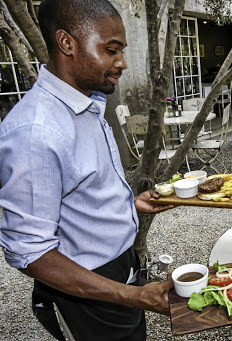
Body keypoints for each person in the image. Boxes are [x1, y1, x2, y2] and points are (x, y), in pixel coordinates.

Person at [0, 1, 175, 340]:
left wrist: (128, 205)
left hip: (122, 273)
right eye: (112, 50)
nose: (122, 62)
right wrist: (132, 295)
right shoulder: (36, 131)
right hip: (85, 295)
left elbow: (80, 189)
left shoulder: (88, 103)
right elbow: (31, 252)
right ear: (67, 43)